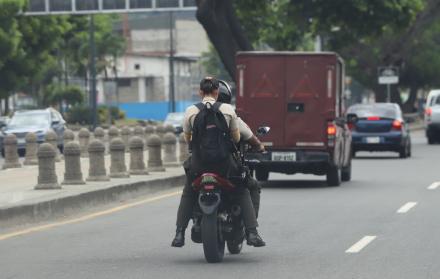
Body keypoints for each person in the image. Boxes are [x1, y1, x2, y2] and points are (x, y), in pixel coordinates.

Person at [171, 77, 265, 248]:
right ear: (217, 92)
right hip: (224, 165)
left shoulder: (191, 111)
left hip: (199, 165)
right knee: (242, 189)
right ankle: (252, 233)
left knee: (188, 192)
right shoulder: (228, 110)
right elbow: (237, 137)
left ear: (200, 92)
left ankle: (179, 234)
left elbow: (188, 139)